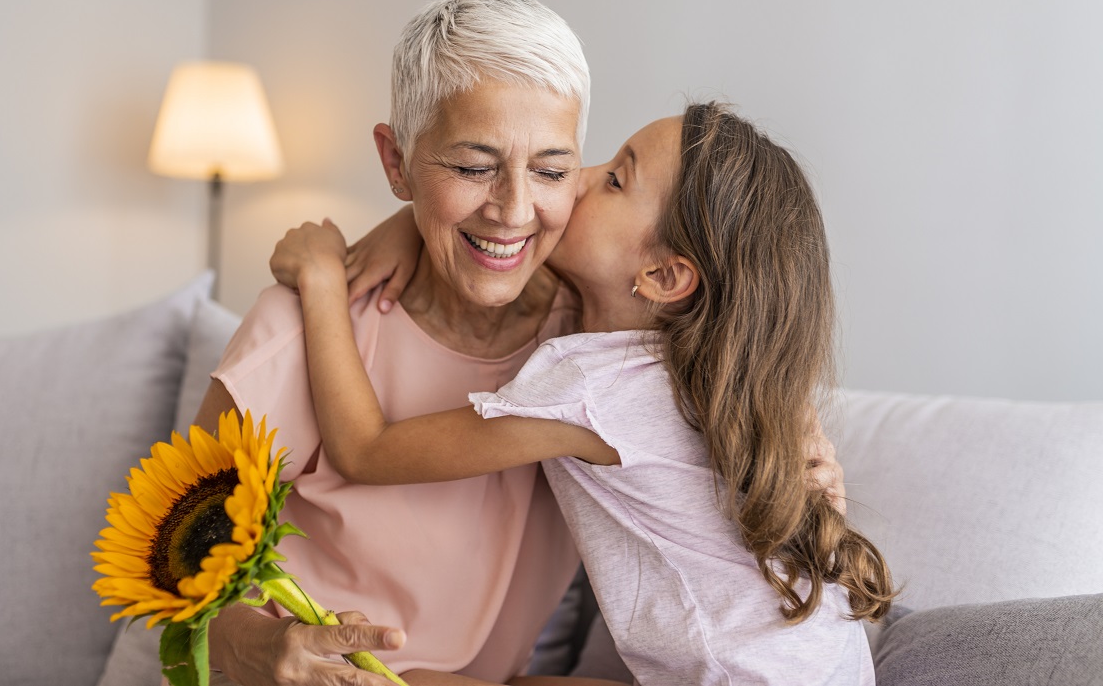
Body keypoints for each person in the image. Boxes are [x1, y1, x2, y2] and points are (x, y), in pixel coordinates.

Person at [198, 0, 845, 686]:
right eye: (473, 167)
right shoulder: (298, 332)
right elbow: (166, 577)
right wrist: (251, 648)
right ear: (397, 163)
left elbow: (367, 447)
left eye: (553, 170)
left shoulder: (591, 340)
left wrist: (803, 445)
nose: (514, 209)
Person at [277, 101, 894, 685]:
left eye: (616, 180)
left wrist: (323, 279)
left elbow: (365, 450)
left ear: (662, 275)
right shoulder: (707, 364)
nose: (578, 175)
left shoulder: (592, 389)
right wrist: (409, 225)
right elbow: (503, 240)